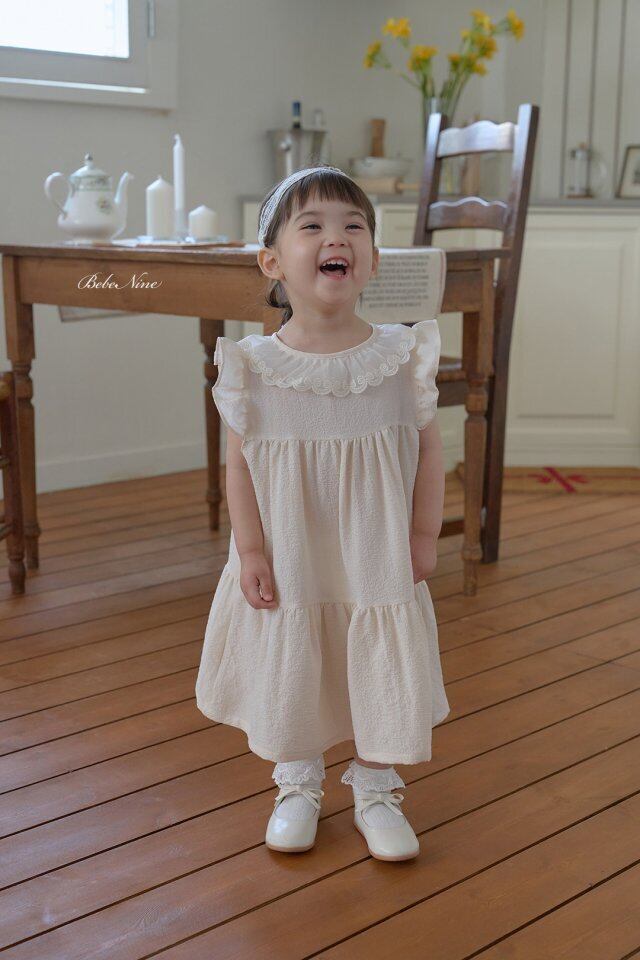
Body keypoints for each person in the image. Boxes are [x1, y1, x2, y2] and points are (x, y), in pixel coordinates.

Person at [195, 164, 450, 862]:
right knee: (297, 663)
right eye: (312, 226)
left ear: (372, 258)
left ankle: (376, 785)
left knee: (378, 664)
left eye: (353, 226)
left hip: (376, 551)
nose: (336, 237)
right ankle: (298, 781)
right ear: (273, 262)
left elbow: (430, 452)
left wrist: (424, 533)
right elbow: (239, 467)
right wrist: (251, 550)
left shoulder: (400, 356)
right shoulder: (254, 366)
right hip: (293, 552)